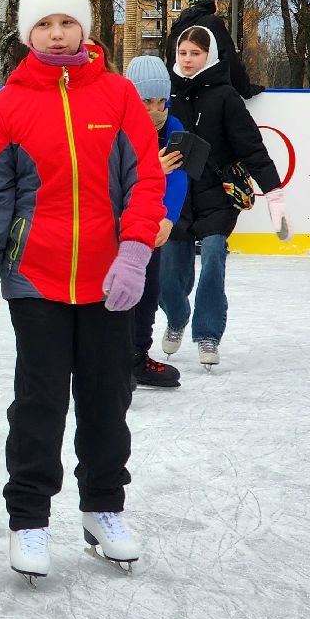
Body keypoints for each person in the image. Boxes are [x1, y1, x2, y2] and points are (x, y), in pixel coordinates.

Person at [0, 0, 165, 583]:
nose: (56, 33)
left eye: (67, 21)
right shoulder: (7, 107)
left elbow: (146, 182)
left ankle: (104, 507)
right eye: (44, 23)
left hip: (111, 280)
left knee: (108, 399)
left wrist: (134, 253)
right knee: (40, 402)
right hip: (37, 280)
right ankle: (29, 517)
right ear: (28, 33)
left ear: (86, 26)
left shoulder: (119, 95)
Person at [160, 26, 289, 369]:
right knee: (169, 271)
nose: (187, 60)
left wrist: (273, 194)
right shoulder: (164, 93)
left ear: (210, 56)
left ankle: (207, 333)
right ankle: (176, 316)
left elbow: (252, 148)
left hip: (217, 193)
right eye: (183, 53)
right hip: (175, 197)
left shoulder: (225, 96)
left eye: (195, 54)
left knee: (215, 253)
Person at [124, 56, 187, 389]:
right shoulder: (114, 127)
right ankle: (114, 361)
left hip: (151, 226)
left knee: (149, 292)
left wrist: (168, 217)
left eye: (162, 101)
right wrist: (151, 167)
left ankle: (137, 357)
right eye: (147, 101)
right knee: (121, 294)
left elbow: (179, 178)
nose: (156, 109)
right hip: (118, 226)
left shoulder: (173, 129)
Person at [165, 0, 263, 100]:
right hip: (205, 95)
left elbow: (170, 62)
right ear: (211, 3)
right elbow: (230, 60)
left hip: (178, 94)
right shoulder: (212, 23)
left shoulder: (177, 27)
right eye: (216, 1)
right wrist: (246, 90)